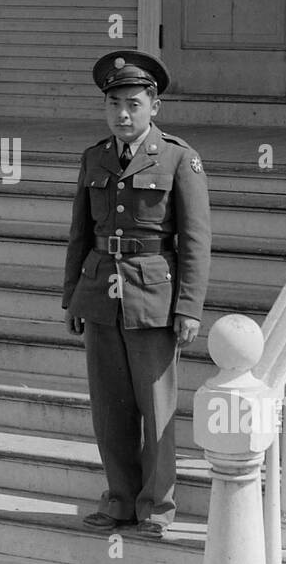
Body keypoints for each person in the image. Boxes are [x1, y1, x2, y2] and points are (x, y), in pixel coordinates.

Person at [62, 50, 212, 539]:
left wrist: (188, 307)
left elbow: (195, 240)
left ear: (154, 107)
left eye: (132, 104)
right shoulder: (94, 158)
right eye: (113, 104)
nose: (122, 115)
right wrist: (73, 298)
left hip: (152, 297)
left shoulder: (177, 158)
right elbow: (79, 234)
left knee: (155, 408)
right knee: (110, 409)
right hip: (100, 294)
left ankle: (156, 508)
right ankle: (119, 499)